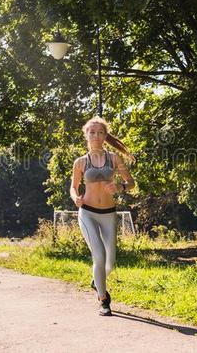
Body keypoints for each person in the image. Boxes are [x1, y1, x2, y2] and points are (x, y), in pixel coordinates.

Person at [70, 116, 135, 316]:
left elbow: (131, 182)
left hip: (108, 213)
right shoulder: (80, 162)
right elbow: (73, 187)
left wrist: (120, 187)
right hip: (87, 213)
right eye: (92, 132)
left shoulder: (114, 159)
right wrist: (76, 198)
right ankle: (103, 299)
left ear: (105, 136)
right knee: (99, 256)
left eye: (100, 132)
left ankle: (97, 281)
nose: (96, 136)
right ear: (86, 135)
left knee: (110, 263)